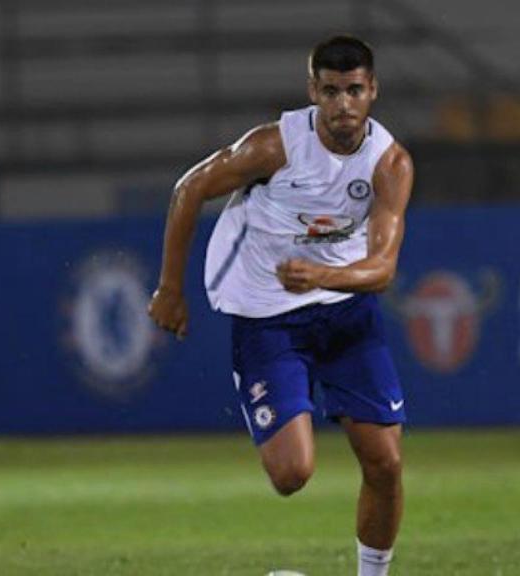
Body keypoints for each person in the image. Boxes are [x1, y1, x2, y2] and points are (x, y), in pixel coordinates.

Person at [147, 35, 413, 576]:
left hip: (345, 312)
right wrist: (170, 289)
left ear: (373, 92)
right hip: (267, 314)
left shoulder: (390, 164)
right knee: (291, 475)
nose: (343, 104)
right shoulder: (276, 146)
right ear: (313, 90)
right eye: (332, 90)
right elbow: (190, 188)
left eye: (354, 90)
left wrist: (323, 275)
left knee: (385, 464)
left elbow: (382, 270)